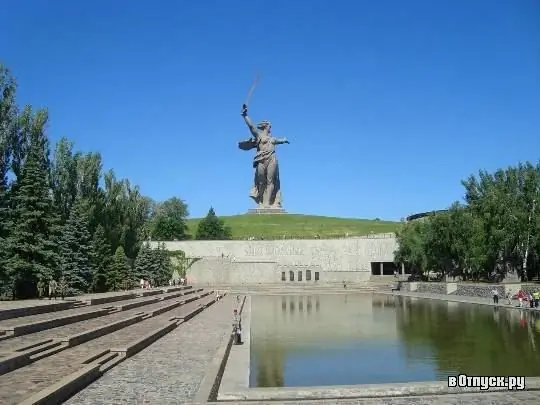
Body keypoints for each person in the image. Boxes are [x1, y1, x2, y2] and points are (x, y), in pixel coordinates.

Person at [239, 105, 290, 208]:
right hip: (261, 159)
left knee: (271, 180)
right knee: (261, 181)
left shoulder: (272, 139)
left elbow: (279, 140)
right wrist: (245, 115)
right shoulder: (259, 135)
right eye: (269, 125)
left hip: (272, 158)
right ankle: (261, 202)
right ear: (265, 126)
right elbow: (251, 126)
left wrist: (284, 140)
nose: (270, 127)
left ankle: (267, 203)